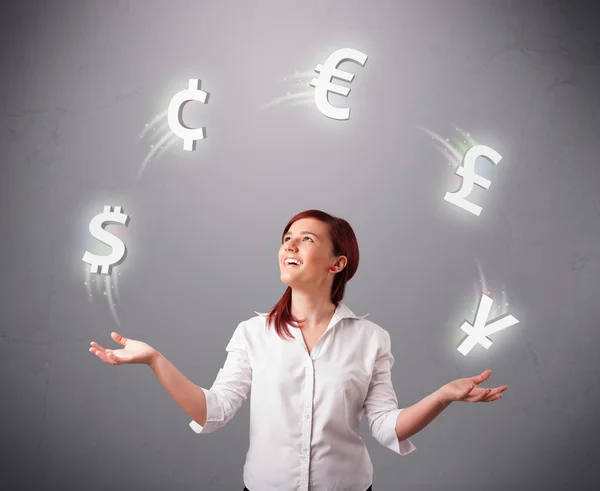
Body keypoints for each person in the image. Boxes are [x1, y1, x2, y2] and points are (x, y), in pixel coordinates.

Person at [89, 209, 508, 491]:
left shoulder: (371, 339)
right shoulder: (252, 333)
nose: (289, 246)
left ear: (336, 263)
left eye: (305, 239)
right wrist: (153, 360)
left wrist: (443, 397)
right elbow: (211, 412)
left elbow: (385, 427)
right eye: (287, 238)